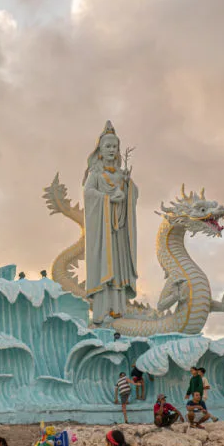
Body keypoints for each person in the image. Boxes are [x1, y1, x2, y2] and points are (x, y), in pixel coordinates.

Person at [83, 121, 138, 325]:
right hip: (103, 228)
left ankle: (118, 310)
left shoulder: (120, 175)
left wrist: (128, 185)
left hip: (119, 229)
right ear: (100, 150)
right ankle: (102, 312)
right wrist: (107, 199)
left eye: (115, 147)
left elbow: (132, 195)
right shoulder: (95, 174)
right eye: (108, 146)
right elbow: (88, 193)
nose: (112, 150)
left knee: (118, 267)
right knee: (105, 264)